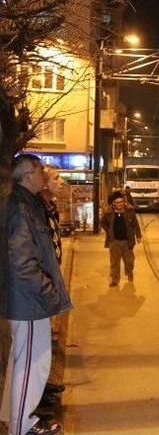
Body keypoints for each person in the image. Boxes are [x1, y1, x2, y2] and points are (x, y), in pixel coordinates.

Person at [1, 154, 72, 435]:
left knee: (30, 362)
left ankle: (20, 419)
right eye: (41, 170)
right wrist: (50, 294)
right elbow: (22, 263)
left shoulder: (24, 204)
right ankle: (21, 426)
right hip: (29, 303)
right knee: (31, 365)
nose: (44, 175)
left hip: (28, 301)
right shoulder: (21, 209)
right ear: (28, 175)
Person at [100, 190, 142, 286]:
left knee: (129, 261)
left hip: (127, 241)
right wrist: (108, 230)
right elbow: (102, 222)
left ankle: (129, 272)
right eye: (118, 202)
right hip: (114, 241)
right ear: (114, 203)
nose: (120, 204)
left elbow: (135, 223)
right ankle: (115, 279)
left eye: (121, 202)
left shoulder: (129, 210)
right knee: (114, 262)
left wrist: (138, 235)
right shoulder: (109, 211)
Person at [40, 165, 62, 265]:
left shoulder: (52, 209)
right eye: (56, 178)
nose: (61, 182)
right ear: (44, 183)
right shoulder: (36, 210)